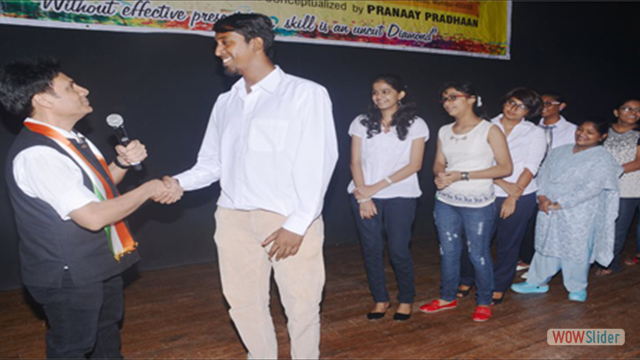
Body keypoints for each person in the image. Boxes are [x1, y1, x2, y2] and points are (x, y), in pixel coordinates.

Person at [157, 14, 338, 359]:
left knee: (301, 306)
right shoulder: (226, 101)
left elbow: (319, 163)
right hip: (233, 219)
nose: (218, 51)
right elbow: (211, 163)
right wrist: (178, 182)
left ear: (256, 43)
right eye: (217, 43)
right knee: (243, 304)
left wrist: (297, 225)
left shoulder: (305, 94)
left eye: (226, 42)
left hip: (287, 219)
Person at [0, 58, 171, 358]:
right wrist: (149, 188)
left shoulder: (74, 140)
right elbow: (92, 217)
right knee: (73, 348)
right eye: (70, 86)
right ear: (41, 99)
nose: (83, 89)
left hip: (97, 265)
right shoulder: (39, 154)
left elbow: (97, 194)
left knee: (106, 334)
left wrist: (121, 164)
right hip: (69, 276)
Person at [419, 81, 512, 322]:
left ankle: (484, 301)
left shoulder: (489, 130)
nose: (448, 103)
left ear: (471, 99)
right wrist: (439, 175)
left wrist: (464, 175)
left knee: (478, 253)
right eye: (445, 99)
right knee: (448, 251)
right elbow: (439, 162)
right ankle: (447, 297)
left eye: (453, 97)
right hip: (446, 200)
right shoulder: (444, 130)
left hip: (478, 203)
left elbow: (505, 167)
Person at [511, 118, 622, 302]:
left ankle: (577, 287)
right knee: (546, 244)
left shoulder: (603, 158)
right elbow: (543, 175)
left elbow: (592, 187)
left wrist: (560, 203)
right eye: (580, 129)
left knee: (576, 248)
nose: (582, 134)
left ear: (602, 137)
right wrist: (542, 197)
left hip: (580, 211)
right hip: (547, 207)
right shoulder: (559, 151)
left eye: (590, 132)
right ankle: (537, 281)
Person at [348, 74, 429, 321]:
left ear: (400, 94)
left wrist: (376, 188)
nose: (379, 96)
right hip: (363, 195)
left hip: (400, 195)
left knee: (398, 250)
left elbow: (414, 165)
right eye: (375, 92)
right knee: (371, 249)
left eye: (386, 91)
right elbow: (355, 162)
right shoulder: (361, 122)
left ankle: (406, 299)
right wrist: (364, 196)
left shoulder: (416, 124)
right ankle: (380, 299)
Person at [458, 88, 545, 304]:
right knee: (475, 241)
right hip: (484, 189)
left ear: (529, 111)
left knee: (509, 243)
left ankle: (499, 284)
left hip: (520, 193)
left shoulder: (534, 132)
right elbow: (478, 162)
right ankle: (467, 278)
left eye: (521, 106)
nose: (513, 109)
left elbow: (531, 166)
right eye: (511, 102)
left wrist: (513, 195)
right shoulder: (484, 126)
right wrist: (502, 183)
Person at [517, 91, 577, 277]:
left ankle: (556, 261)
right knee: (530, 221)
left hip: (560, 183)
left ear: (562, 106)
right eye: (540, 103)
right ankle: (528, 258)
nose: (544, 107)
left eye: (549, 103)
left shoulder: (575, 130)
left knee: (555, 222)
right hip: (533, 181)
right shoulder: (530, 129)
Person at [596, 99, 640, 275]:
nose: (633, 112)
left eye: (637, 110)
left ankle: (612, 263)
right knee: (610, 226)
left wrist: (613, 171)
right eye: (627, 108)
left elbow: (638, 162)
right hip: (609, 187)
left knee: (619, 227)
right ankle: (606, 261)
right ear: (616, 112)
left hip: (631, 187)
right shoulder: (603, 132)